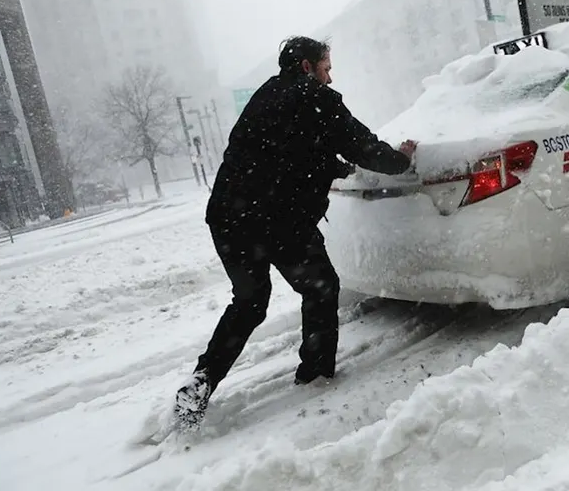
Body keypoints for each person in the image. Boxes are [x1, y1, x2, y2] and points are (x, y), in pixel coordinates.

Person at [174, 36, 415, 426]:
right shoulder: (317, 98)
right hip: (278, 219)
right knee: (320, 286)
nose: (330, 78)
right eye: (326, 68)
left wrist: (335, 169)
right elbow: (362, 146)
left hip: (229, 217)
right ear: (306, 67)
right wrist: (400, 161)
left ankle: (200, 382)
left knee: (250, 303)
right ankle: (316, 373)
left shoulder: (265, 96)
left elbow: (287, 152)